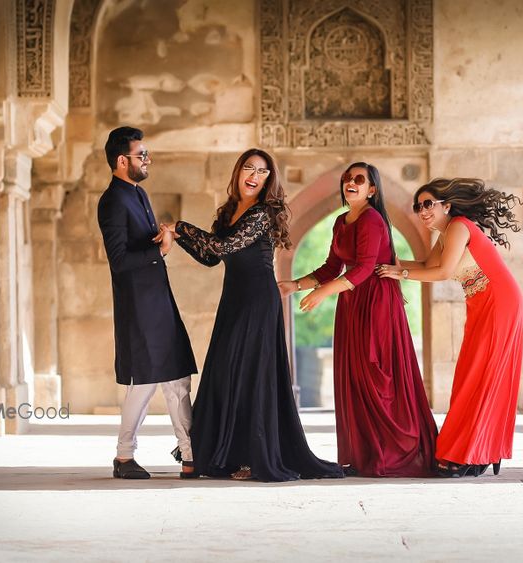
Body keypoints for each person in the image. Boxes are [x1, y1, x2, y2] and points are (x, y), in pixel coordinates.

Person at [156, 148, 343, 482]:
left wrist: (180, 227)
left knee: (251, 375)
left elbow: (222, 247)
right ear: (238, 172)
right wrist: (178, 236)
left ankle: (255, 458)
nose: (254, 176)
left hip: (258, 300)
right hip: (234, 299)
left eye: (262, 172)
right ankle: (225, 455)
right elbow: (211, 258)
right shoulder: (229, 211)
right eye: (248, 168)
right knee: (226, 373)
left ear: (268, 179)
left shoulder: (260, 214)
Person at [279, 163, 437, 477]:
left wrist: (323, 293)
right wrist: (294, 286)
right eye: (347, 179)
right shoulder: (340, 222)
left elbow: (364, 269)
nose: (350, 182)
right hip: (351, 303)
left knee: (377, 374)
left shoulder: (372, 219)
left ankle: (390, 454)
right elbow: (330, 268)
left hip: (376, 302)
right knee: (355, 376)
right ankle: (366, 454)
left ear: (372, 190)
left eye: (358, 179)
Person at [377, 177, 523, 478]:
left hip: (499, 300)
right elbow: (425, 265)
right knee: (471, 376)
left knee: (480, 376)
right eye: (418, 207)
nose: (422, 211)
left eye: (428, 204)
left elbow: (442, 273)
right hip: (481, 303)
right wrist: (382, 263)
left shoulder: (458, 226)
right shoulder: (445, 235)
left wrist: (400, 273)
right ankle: (479, 449)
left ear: (447, 205)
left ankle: (473, 452)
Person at [97, 126, 196, 480]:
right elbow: (119, 260)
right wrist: (160, 249)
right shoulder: (112, 201)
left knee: (177, 378)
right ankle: (125, 457)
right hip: (139, 307)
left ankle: (190, 455)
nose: (147, 160)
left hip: (157, 299)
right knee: (146, 381)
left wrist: (162, 238)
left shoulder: (137, 194)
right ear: (122, 160)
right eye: (141, 155)